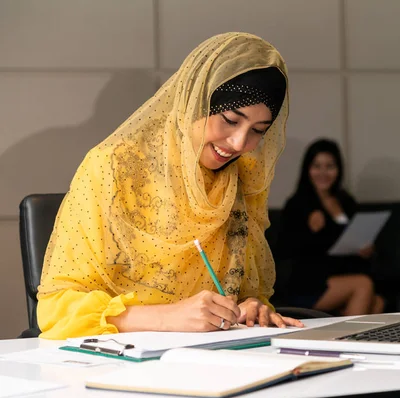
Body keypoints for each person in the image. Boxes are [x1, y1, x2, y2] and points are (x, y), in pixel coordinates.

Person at [36, 32, 304, 339]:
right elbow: (55, 309)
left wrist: (252, 305)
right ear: (194, 102)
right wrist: (168, 317)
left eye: (258, 130)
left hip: (218, 358)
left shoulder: (242, 178)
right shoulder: (113, 167)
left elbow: (243, 289)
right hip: (124, 362)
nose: (240, 143)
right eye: (230, 120)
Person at [276, 139, 385, 316]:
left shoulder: (346, 201)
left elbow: (352, 239)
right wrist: (311, 231)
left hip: (342, 274)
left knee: (377, 302)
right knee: (363, 284)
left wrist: (365, 250)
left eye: (330, 166)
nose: (323, 173)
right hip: (310, 281)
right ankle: (349, 342)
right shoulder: (299, 204)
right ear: (308, 169)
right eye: (317, 166)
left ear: (338, 169)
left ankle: (347, 339)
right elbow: (285, 248)